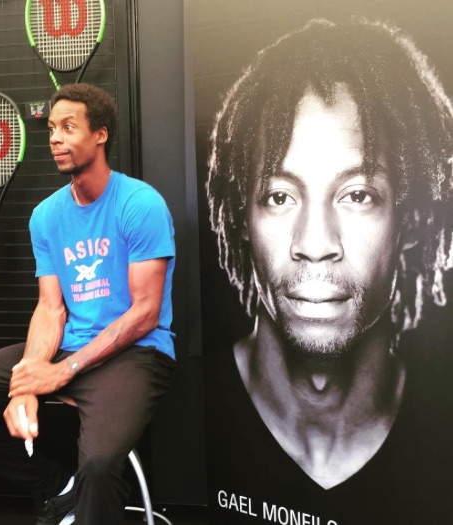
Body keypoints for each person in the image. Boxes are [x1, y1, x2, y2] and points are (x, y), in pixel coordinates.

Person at [205, 17, 453, 524]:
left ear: (408, 220)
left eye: (357, 195)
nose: (315, 245)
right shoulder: (190, 408)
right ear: (242, 218)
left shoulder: (441, 429)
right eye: (279, 197)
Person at [0, 83, 176, 525]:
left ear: (100, 134)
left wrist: (62, 372)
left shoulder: (140, 204)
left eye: (68, 127)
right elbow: (51, 308)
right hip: (68, 345)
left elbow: (144, 313)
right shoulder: (46, 215)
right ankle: (57, 490)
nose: (55, 138)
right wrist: (29, 379)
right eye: (52, 128)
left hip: (135, 353)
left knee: (99, 465)